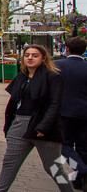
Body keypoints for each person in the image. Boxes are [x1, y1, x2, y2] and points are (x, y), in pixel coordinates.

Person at [0, 44, 73, 192]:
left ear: (43, 58)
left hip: (43, 128)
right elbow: (13, 102)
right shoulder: (22, 76)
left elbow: (54, 104)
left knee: (54, 167)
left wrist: (44, 126)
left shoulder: (53, 77)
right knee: (9, 162)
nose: (30, 58)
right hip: (19, 124)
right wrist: (9, 125)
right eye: (27, 55)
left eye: (35, 55)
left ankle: (68, 190)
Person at [55, 37, 87, 190]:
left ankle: (82, 170)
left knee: (65, 146)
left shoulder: (56, 66)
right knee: (83, 147)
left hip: (64, 112)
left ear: (66, 49)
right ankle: (81, 180)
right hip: (84, 114)